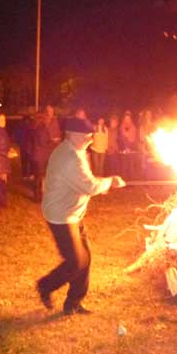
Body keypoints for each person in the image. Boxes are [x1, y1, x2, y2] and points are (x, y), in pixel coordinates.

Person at [36, 118, 126, 315]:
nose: (91, 137)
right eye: (87, 135)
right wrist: (111, 181)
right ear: (73, 134)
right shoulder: (70, 158)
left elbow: (87, 182)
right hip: (61, 216)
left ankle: (74, 303)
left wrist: (105, 183)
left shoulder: (75, 151)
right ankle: (45, 285)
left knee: (86, 258)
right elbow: (90, 186)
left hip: (73, 213)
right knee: (77, 261)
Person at [32, 106, 61, 202]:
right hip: (40, 154)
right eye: (48, 113)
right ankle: (37, 196)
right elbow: (41, 140)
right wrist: (52, 140)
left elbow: (57, 135)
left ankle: (45, 194)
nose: (50, 115)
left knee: (47, 175)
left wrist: (56, 140)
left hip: (48, 153)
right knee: (39, 176)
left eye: (52, 112)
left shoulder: (52, 123)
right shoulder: (40, 125)